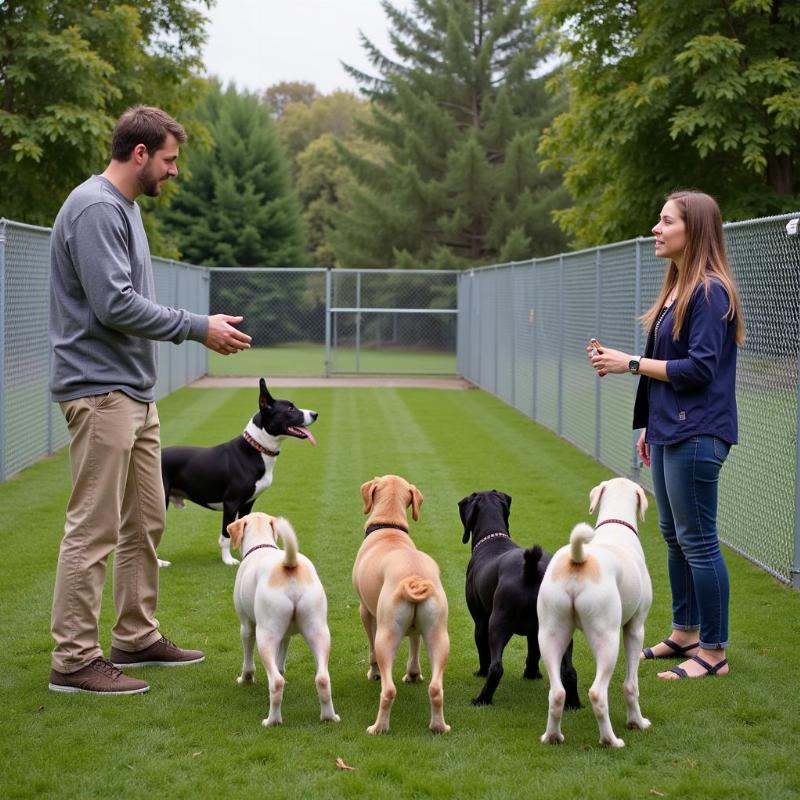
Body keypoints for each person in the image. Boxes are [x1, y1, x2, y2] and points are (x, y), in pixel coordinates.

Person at [48, 105, 252, 695]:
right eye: (169, 160)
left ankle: (135, 636)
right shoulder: (94, 209)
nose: (174, 172)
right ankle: (73, 659)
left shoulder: (126, 210)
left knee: (146, 518)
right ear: (140, 154)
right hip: (99, 390)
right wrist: (197, 326)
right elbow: (114, 304)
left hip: (134, 391)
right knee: (93, 527)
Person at [588, 190, 744, 680]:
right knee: (674, 539)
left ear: (692, 230)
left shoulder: (710, 291)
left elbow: (698, 369)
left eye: (665, 221)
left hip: (699, 434)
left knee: (698, 541)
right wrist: (652, 429)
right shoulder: (679, 288)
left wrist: (628, 362)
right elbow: (674, 375)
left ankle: (714, 651)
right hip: (673, 431)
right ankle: (685, 633)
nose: (656, 229)